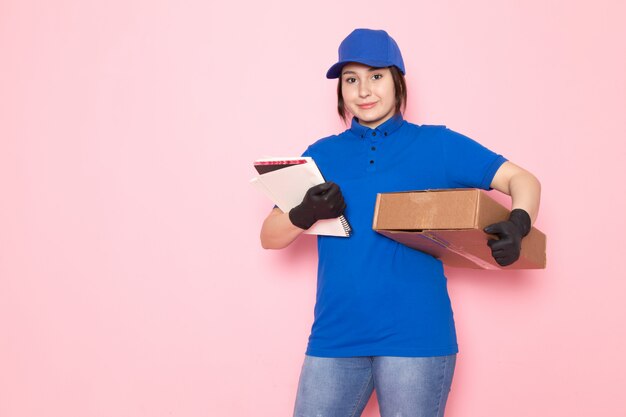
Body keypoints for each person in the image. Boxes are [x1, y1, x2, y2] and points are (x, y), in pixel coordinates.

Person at [260, 28, 541, 417]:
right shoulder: (320, 155)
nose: (363, 90)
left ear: (397, 81)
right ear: (340, 89)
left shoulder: (437, 145)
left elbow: (522, 180)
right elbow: (269, 237)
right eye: (351, 79)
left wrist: (519, 222)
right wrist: (303, 213)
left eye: (376, 76)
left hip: (417, 337)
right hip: (335, 337)